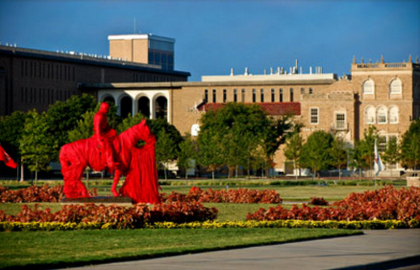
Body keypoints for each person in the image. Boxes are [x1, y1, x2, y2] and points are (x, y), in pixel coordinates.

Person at [93, 102, 117, 171]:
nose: (108, 110)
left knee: (115, 135)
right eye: (108, 109)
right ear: (104, 108)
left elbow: (105, 126)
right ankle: (109, 162)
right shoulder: (99, 116)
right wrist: (99, 139)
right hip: (100, 134)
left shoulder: (104, 115)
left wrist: (111, 130)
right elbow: (97, 128)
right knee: (107, 144)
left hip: (105, 132)